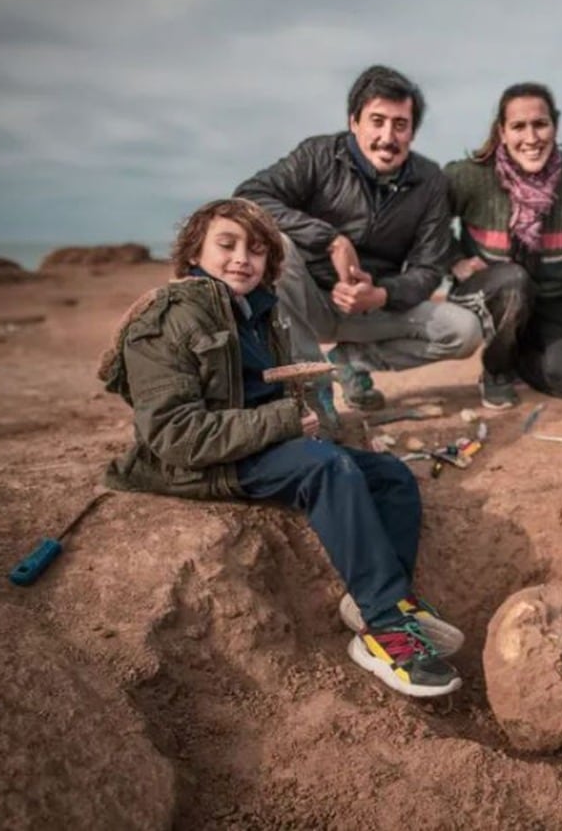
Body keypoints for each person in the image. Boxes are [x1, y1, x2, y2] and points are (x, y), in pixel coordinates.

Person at [98, 198, 464, 699]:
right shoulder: (166, 320)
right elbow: (175, 436)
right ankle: (383, 633)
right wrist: (285, 420)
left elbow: (258, 393)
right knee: (328, 468)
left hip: (253, 445)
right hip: (192, 464)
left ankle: (383, 599)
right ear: (193, 255)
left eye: (256, 250)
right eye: (226, 245)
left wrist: (295, 417)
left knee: (390, 477)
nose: (241, 259)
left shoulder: (257, 313)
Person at [234, 65, 482, 415]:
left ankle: (350, 362)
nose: (388, 136)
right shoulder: (318, 154)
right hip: (305, 301)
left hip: (372, 307)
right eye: (377, 121)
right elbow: (249, 198)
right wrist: (330, 239)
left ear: (412, 131)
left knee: (465, 330)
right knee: (279, 244)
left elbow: (428, 268)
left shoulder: (431, 182)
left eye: (400, 125)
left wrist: (380, 294)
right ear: (354, 122)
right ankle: (310, 386)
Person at [444, 82, 562, 408]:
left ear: (555, 126)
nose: (531, 138)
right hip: (488, 295)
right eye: (518, 126)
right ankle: (497, 370)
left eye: (540, 124)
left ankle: (522, 356)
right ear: (502, 132)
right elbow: (424, 223)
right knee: (513, 281)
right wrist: (454, 259)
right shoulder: (468, 176)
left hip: (550, 300)